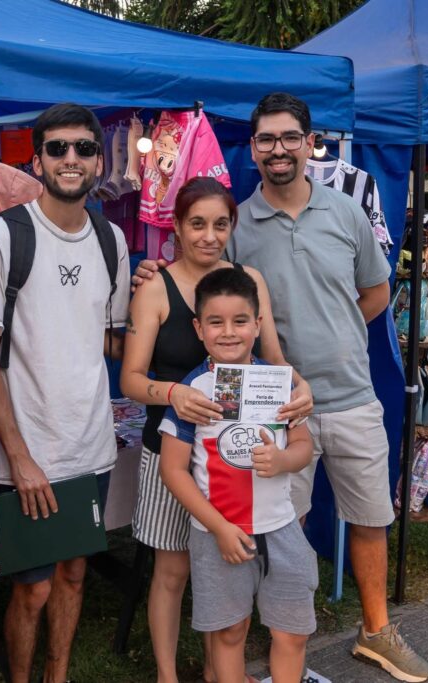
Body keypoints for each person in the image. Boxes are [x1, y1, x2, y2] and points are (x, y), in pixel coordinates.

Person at [136, 92, 428, 682]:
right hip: (269, 407)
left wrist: (340, 329)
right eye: (267, 139)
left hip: (349, 393)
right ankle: (259, 648)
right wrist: (154, 271)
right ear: (254, 148)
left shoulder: (346, 211)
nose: (279, 149)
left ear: (309, 143)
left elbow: (377, 291)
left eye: (289, 137)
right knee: (278, 522)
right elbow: (204, 279)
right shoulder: (238, 226)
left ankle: (376, 632)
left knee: (370, 517)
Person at [120, 177, 312, 683]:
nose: (209, 235)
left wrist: (301, 389)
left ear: (232, 226)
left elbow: (274, 358)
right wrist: (174, 394)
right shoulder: (155, 286)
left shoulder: (248, 279)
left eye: (220, 224)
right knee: (174, 569)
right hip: (174, 447)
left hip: (238, 459)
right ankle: (167, 675)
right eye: (197, 224)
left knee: (222, 569)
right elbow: (130, 379)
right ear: (177, 227)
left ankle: (215, 670)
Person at [0, 103, 131, 683]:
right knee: (32, 588)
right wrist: (18, 456)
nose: (71, 158)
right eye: (57, 148)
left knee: (74, 575)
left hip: (90, 445)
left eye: (84, 148)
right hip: (26, 451)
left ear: (99, 161)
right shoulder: (0, 238)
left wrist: (163, 297)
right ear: (36, 160)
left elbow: (109, 339)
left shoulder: (112, 240)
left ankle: (56, 676)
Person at [159, 267, 317, 683]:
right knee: (229, 632)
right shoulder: (194, 391)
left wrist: (284, 461)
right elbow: (172, 470)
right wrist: (219, 528)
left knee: (292, 632)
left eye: (240, 321)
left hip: (281, 526)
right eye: (216, 322)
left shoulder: (279, 384)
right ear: (199, 328)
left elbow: (304, 446)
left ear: (258, 324)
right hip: (219, 534)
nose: (228, 332)